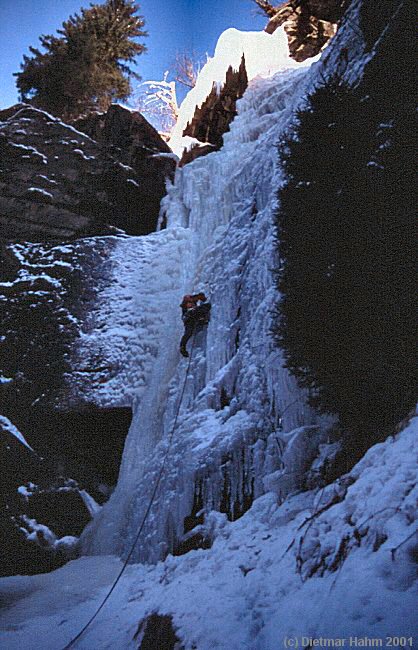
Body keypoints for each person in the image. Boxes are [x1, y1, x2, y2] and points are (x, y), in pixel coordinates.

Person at [179, 292, 211, 357]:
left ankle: (203, 320)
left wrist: (202, 297)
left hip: (195, 318)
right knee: (189, 332)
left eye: (190, 302)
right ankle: (182, 347)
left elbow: (200, 297)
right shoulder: (186, 311)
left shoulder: (193, 300)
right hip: (190, 320)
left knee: (203, 307)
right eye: (188, 303)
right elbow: (185, 318)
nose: (189, 304)